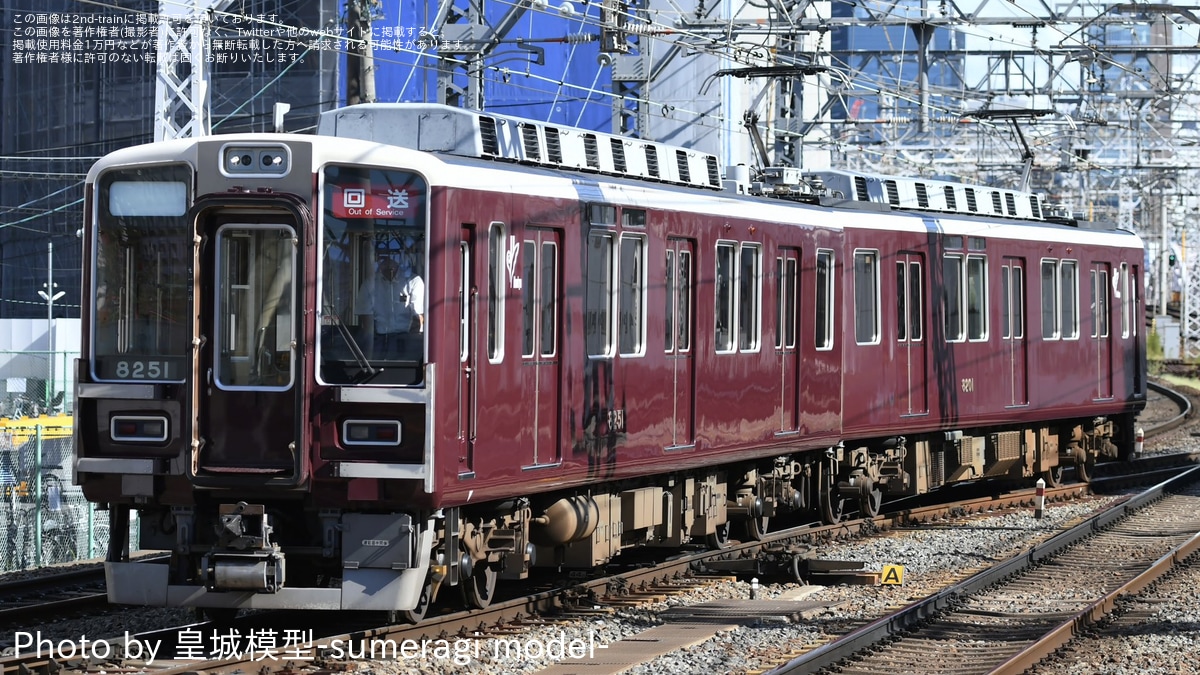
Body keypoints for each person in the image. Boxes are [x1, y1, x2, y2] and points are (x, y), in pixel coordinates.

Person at [356, 257, 425, 360]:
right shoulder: (369, 284)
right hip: (378, 341)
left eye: (393, 256)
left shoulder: (413, 281)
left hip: (407, 339)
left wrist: (410, 345)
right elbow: (366, 319)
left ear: (399, 259)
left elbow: (418, 317)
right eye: (384, 258)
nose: (388, 263)